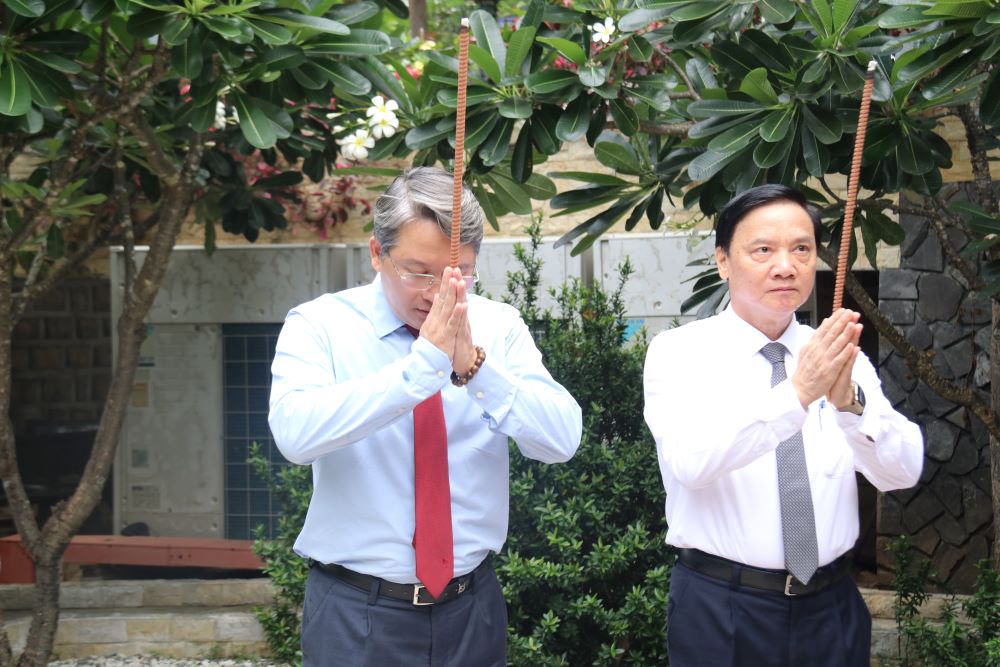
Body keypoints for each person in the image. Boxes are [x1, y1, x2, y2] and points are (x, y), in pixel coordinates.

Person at [269, 167, 583, 667]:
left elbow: (561, 438)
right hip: (356, 610)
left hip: (471, 606)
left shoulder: (497, 326)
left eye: (456, 275)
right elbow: (295, 433)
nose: (438, 294)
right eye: (418, 272)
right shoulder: (320, 325)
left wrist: (475, 367)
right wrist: (420, 370)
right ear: (377, 253)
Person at [643, 184, 924, 667]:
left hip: (832, 602)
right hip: (722, 606)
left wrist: (850, 406)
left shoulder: (838, 356)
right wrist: (797, 393)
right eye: (763, 250)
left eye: (801, 249)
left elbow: (904, 471)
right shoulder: (679, 353)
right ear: (723, 262)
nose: (785, 266)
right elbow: (690, 462)